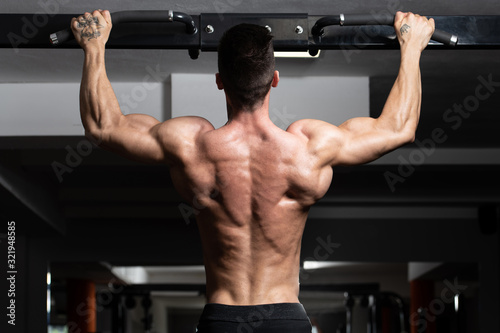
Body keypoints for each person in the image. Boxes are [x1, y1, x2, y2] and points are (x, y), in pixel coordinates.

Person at [71, 10, 434, 333]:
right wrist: (412, 48)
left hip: (222, 318)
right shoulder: (308, 149)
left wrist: (94, 47)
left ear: (219, 81)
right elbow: (398, 128)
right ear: (274, 78)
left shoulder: (192, 146)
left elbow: (103, 127)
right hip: (286, 319)